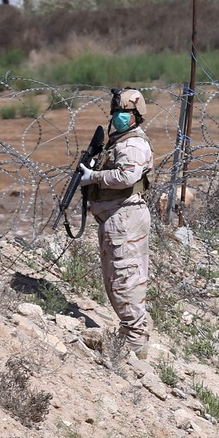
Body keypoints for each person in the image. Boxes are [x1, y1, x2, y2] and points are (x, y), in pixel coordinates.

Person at [79, 89, 154, 369]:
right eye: (116, 112)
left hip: (124, 218)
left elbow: (128, 176)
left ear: (135, 116)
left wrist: (93, 177)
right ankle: (135, 330)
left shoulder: (132, 144)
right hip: (117, 217)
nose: (117, 117)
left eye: (124, 112)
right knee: (120, 275)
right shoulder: (119, 141)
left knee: (124, 277)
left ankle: (134, 341)